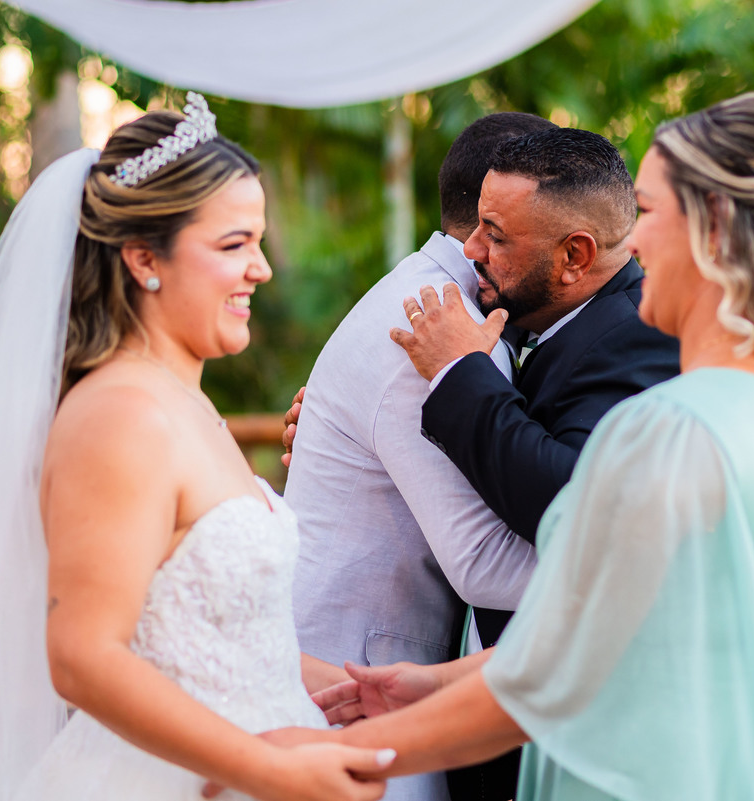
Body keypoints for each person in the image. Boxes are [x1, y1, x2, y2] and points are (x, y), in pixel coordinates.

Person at [250, 91, 754, 801]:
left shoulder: (671, 431)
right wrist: (434, 680)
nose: (633, 243)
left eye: (646, 213)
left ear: (712, 234)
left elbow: (558, 668)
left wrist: (343, 750)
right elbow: (642, 625)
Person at [0, 94, 392, 801]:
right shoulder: (120, 417)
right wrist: (269, 768)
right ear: (142, 257)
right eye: (233, 245)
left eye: (257, 239)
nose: (262, 269)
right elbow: (82, 655)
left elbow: (220, 642)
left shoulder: (185, 400)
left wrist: (346, 687)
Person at [284, 111, 554, 801]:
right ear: (491, 224)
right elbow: (483, 565)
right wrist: (638, 581)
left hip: (377, 672)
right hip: (349, 683)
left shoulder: (437, 296)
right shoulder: (435, 323)